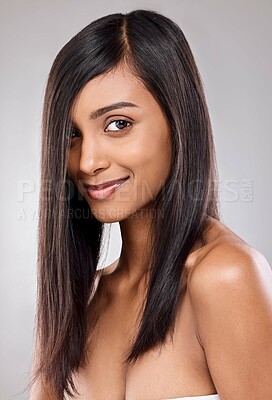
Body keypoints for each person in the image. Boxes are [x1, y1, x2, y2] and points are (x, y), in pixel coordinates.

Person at [29, 9, 272, 400]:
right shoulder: (77, 298)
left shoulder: (225, 278)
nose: (88, 161)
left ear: (178, 120)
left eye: (118, 124)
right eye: (72, 134)